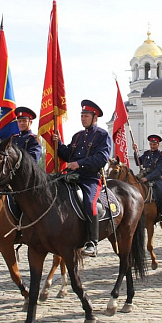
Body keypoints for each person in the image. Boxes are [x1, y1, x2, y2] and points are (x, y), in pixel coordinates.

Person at [53, 100, 112, 257]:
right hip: (72, 177)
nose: (83, 118)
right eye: (82, 115)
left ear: (95, 118)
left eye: (86, 116)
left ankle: (92, 242)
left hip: (90, 178)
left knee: (88, 203)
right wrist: (58, 144)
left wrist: (79, 164)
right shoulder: (77, 136)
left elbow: (101, 158)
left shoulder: (102, 135)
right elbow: (67, 155)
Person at [132, 134, 162, 224]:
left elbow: (159, 170)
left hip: (156, 178)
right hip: (144, 176)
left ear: (158, 144)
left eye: (154, 144)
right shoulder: (146, 153)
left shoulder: (161, 155)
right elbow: (138, 162)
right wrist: (135, 152)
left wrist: (147, 178)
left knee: (161, 192)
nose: (152, 146)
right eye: (151, 144)